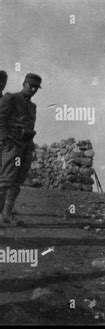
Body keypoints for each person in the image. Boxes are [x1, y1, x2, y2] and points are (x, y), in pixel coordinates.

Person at [0, 73, 41, 225]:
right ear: (24, 84)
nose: (33, 89)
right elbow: (1, 118)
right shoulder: (11, 98)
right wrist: (4, 140)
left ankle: (6, 214)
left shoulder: (33, 106)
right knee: (6, 180)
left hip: (25, 146)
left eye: (36, 87)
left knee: (17, 181)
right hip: (12, 144)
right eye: (31, 86)